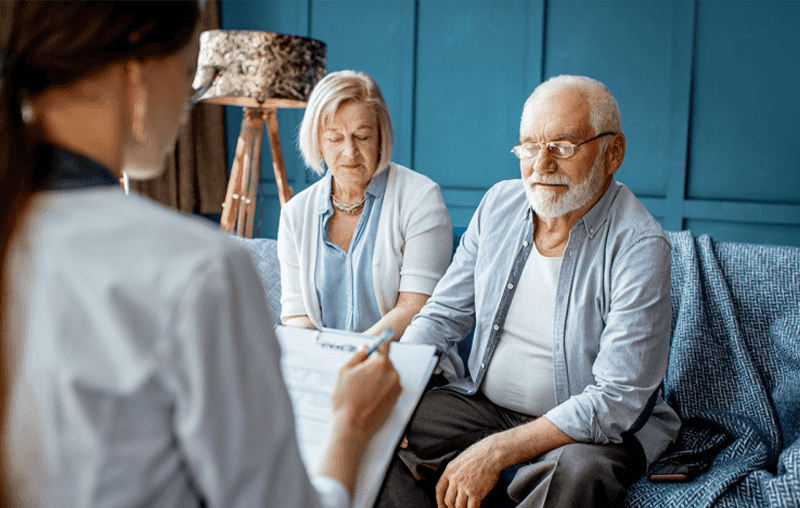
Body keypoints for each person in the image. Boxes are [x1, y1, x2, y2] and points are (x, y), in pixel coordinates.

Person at [0, 2, 401, 507]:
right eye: (190, 72)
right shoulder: (196, 269)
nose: (191, 99)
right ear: (138, 73)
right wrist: (350, 425)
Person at [375, 75, 682, 508]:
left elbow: (616, 400)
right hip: (485, 406)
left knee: (578, 472)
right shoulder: (498, 205)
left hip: (589, 432)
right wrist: (399, 390)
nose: (541, 166)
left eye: (562, 146)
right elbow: (442, 316)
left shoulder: (640, 246)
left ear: (613, 153)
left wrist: (498, 450)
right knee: (377, 431)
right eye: (530, 147)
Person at [278, 70, 452, 340]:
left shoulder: (421, 197)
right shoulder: (295, 213)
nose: (349, 153)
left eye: (362, 137)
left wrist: (350, 356)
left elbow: (415, 307)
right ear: (318, 142)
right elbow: (296, 314)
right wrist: (323, 359)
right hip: (326, 366)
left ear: (381, 137)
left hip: (401, 358)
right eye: (335, 139)